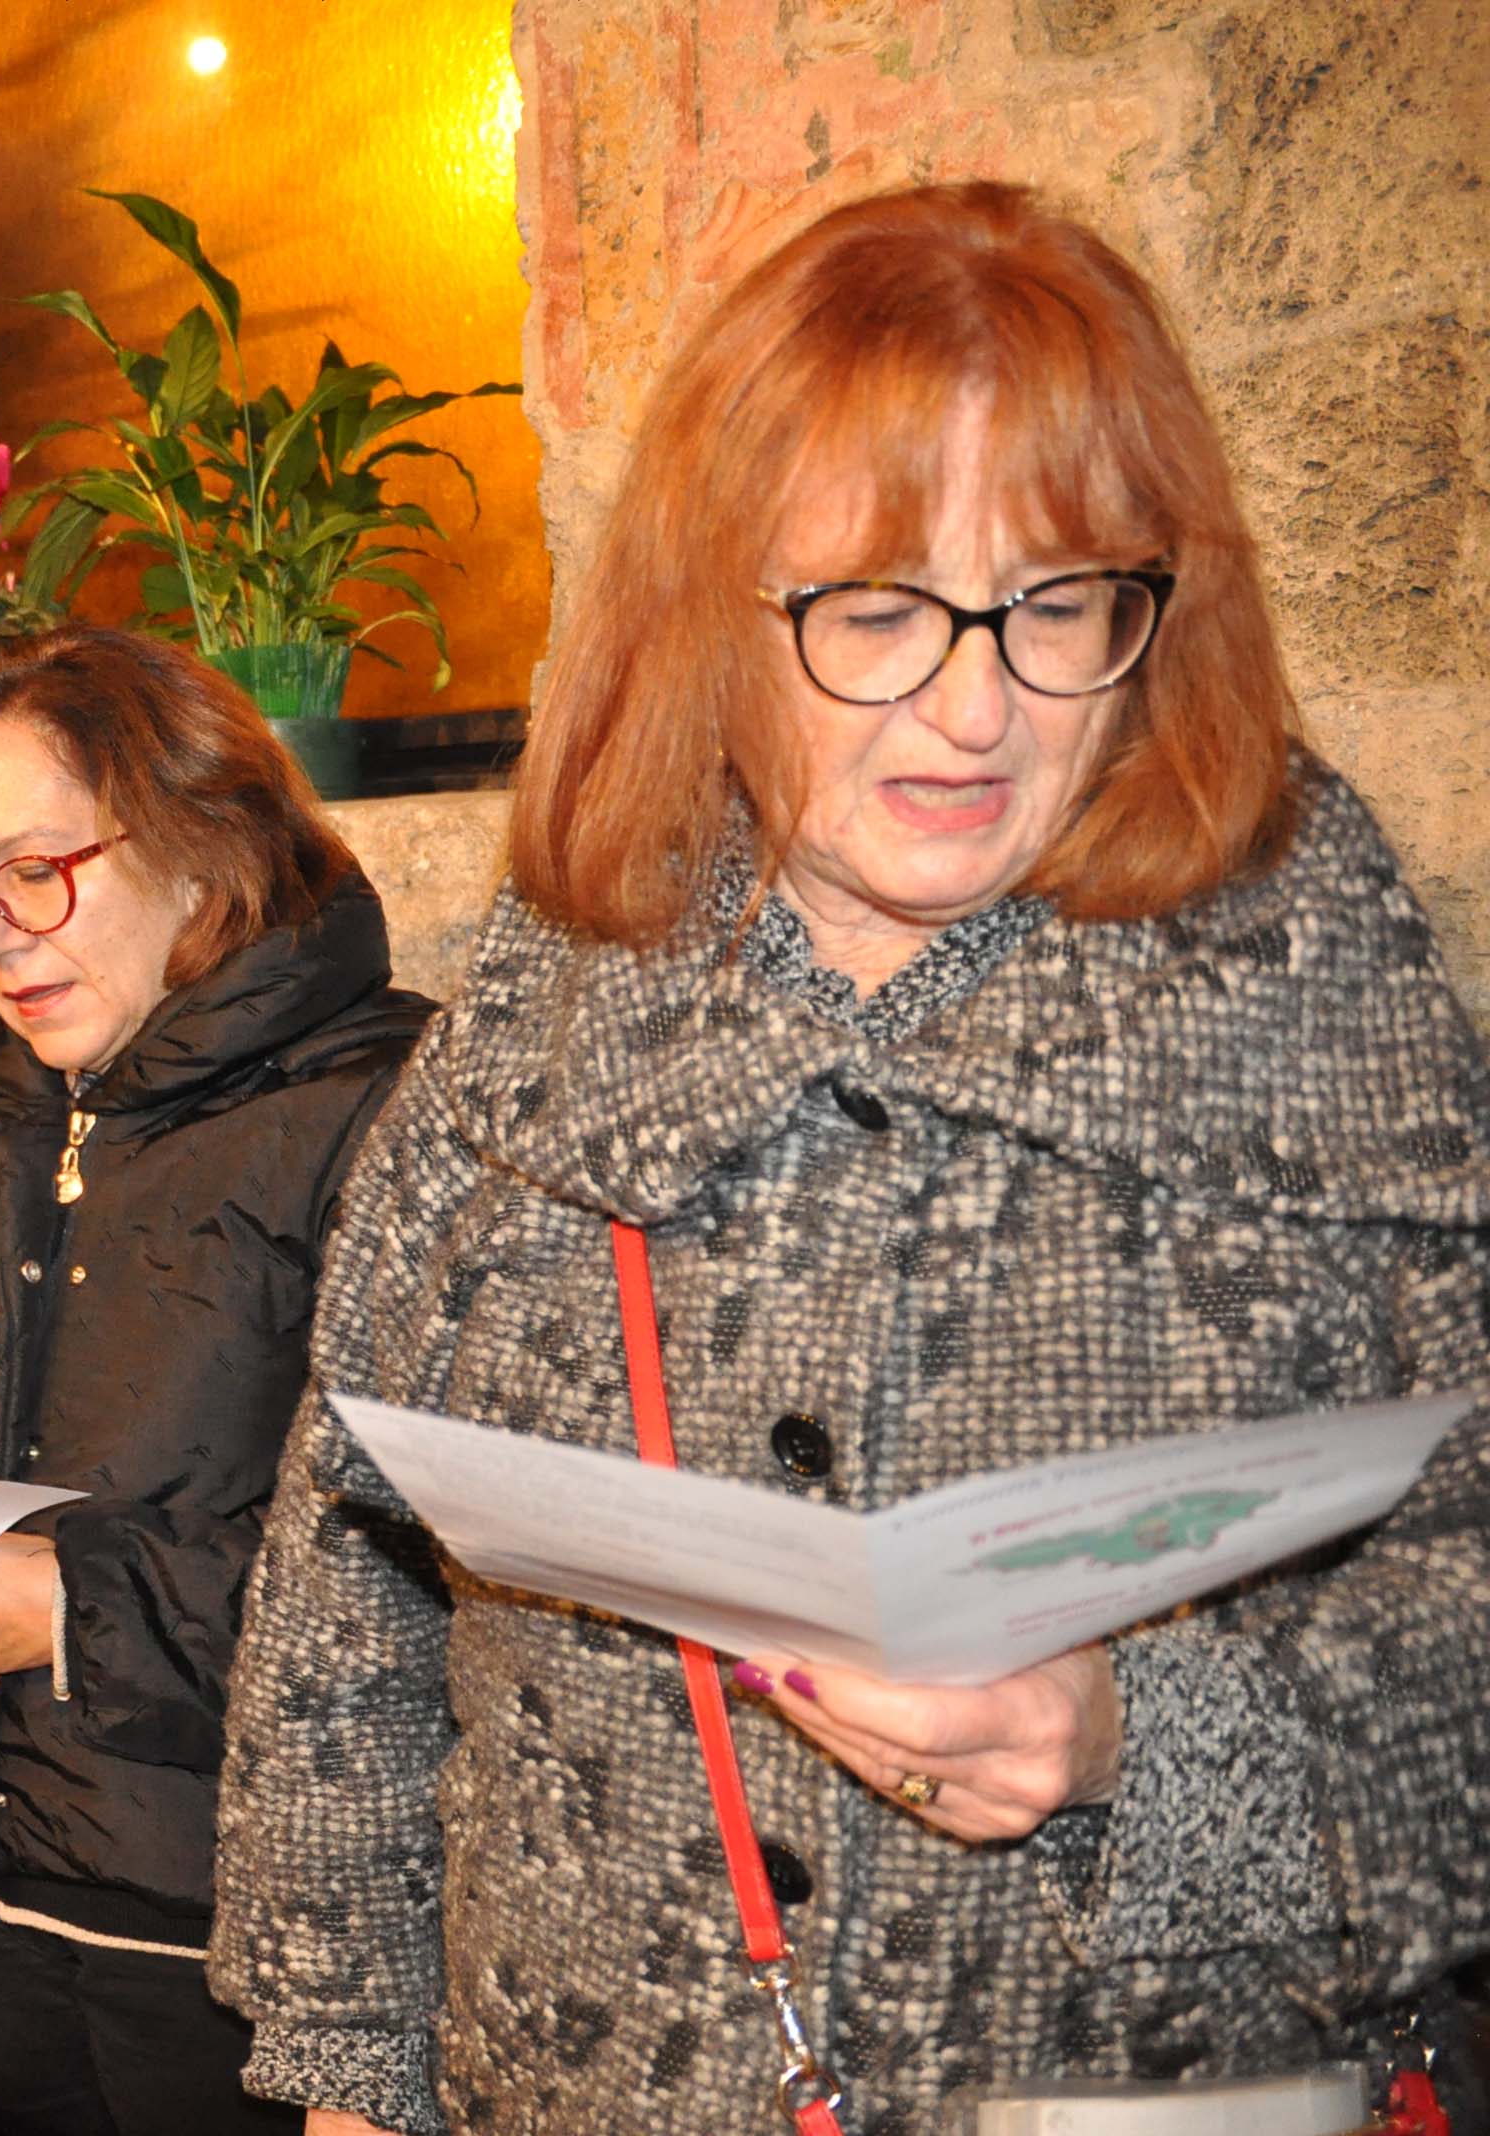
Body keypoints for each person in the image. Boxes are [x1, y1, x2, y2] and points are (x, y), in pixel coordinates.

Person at [214, 181, 1490, 2135]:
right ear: (708, 615)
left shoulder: (1311, 1001)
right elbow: (347, 1598)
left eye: (1057, 605)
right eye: (877, 612)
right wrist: (349, 2078)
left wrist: (1134, 1742)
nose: (975, 709)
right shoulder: (546, 1017)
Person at [0, 625, 428, 2136]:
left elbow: (424, 1567)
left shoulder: (390, 1105)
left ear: (202, 849)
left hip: (244, 1930)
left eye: (36, 871)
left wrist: (70, 1606)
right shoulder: (1, 1100)